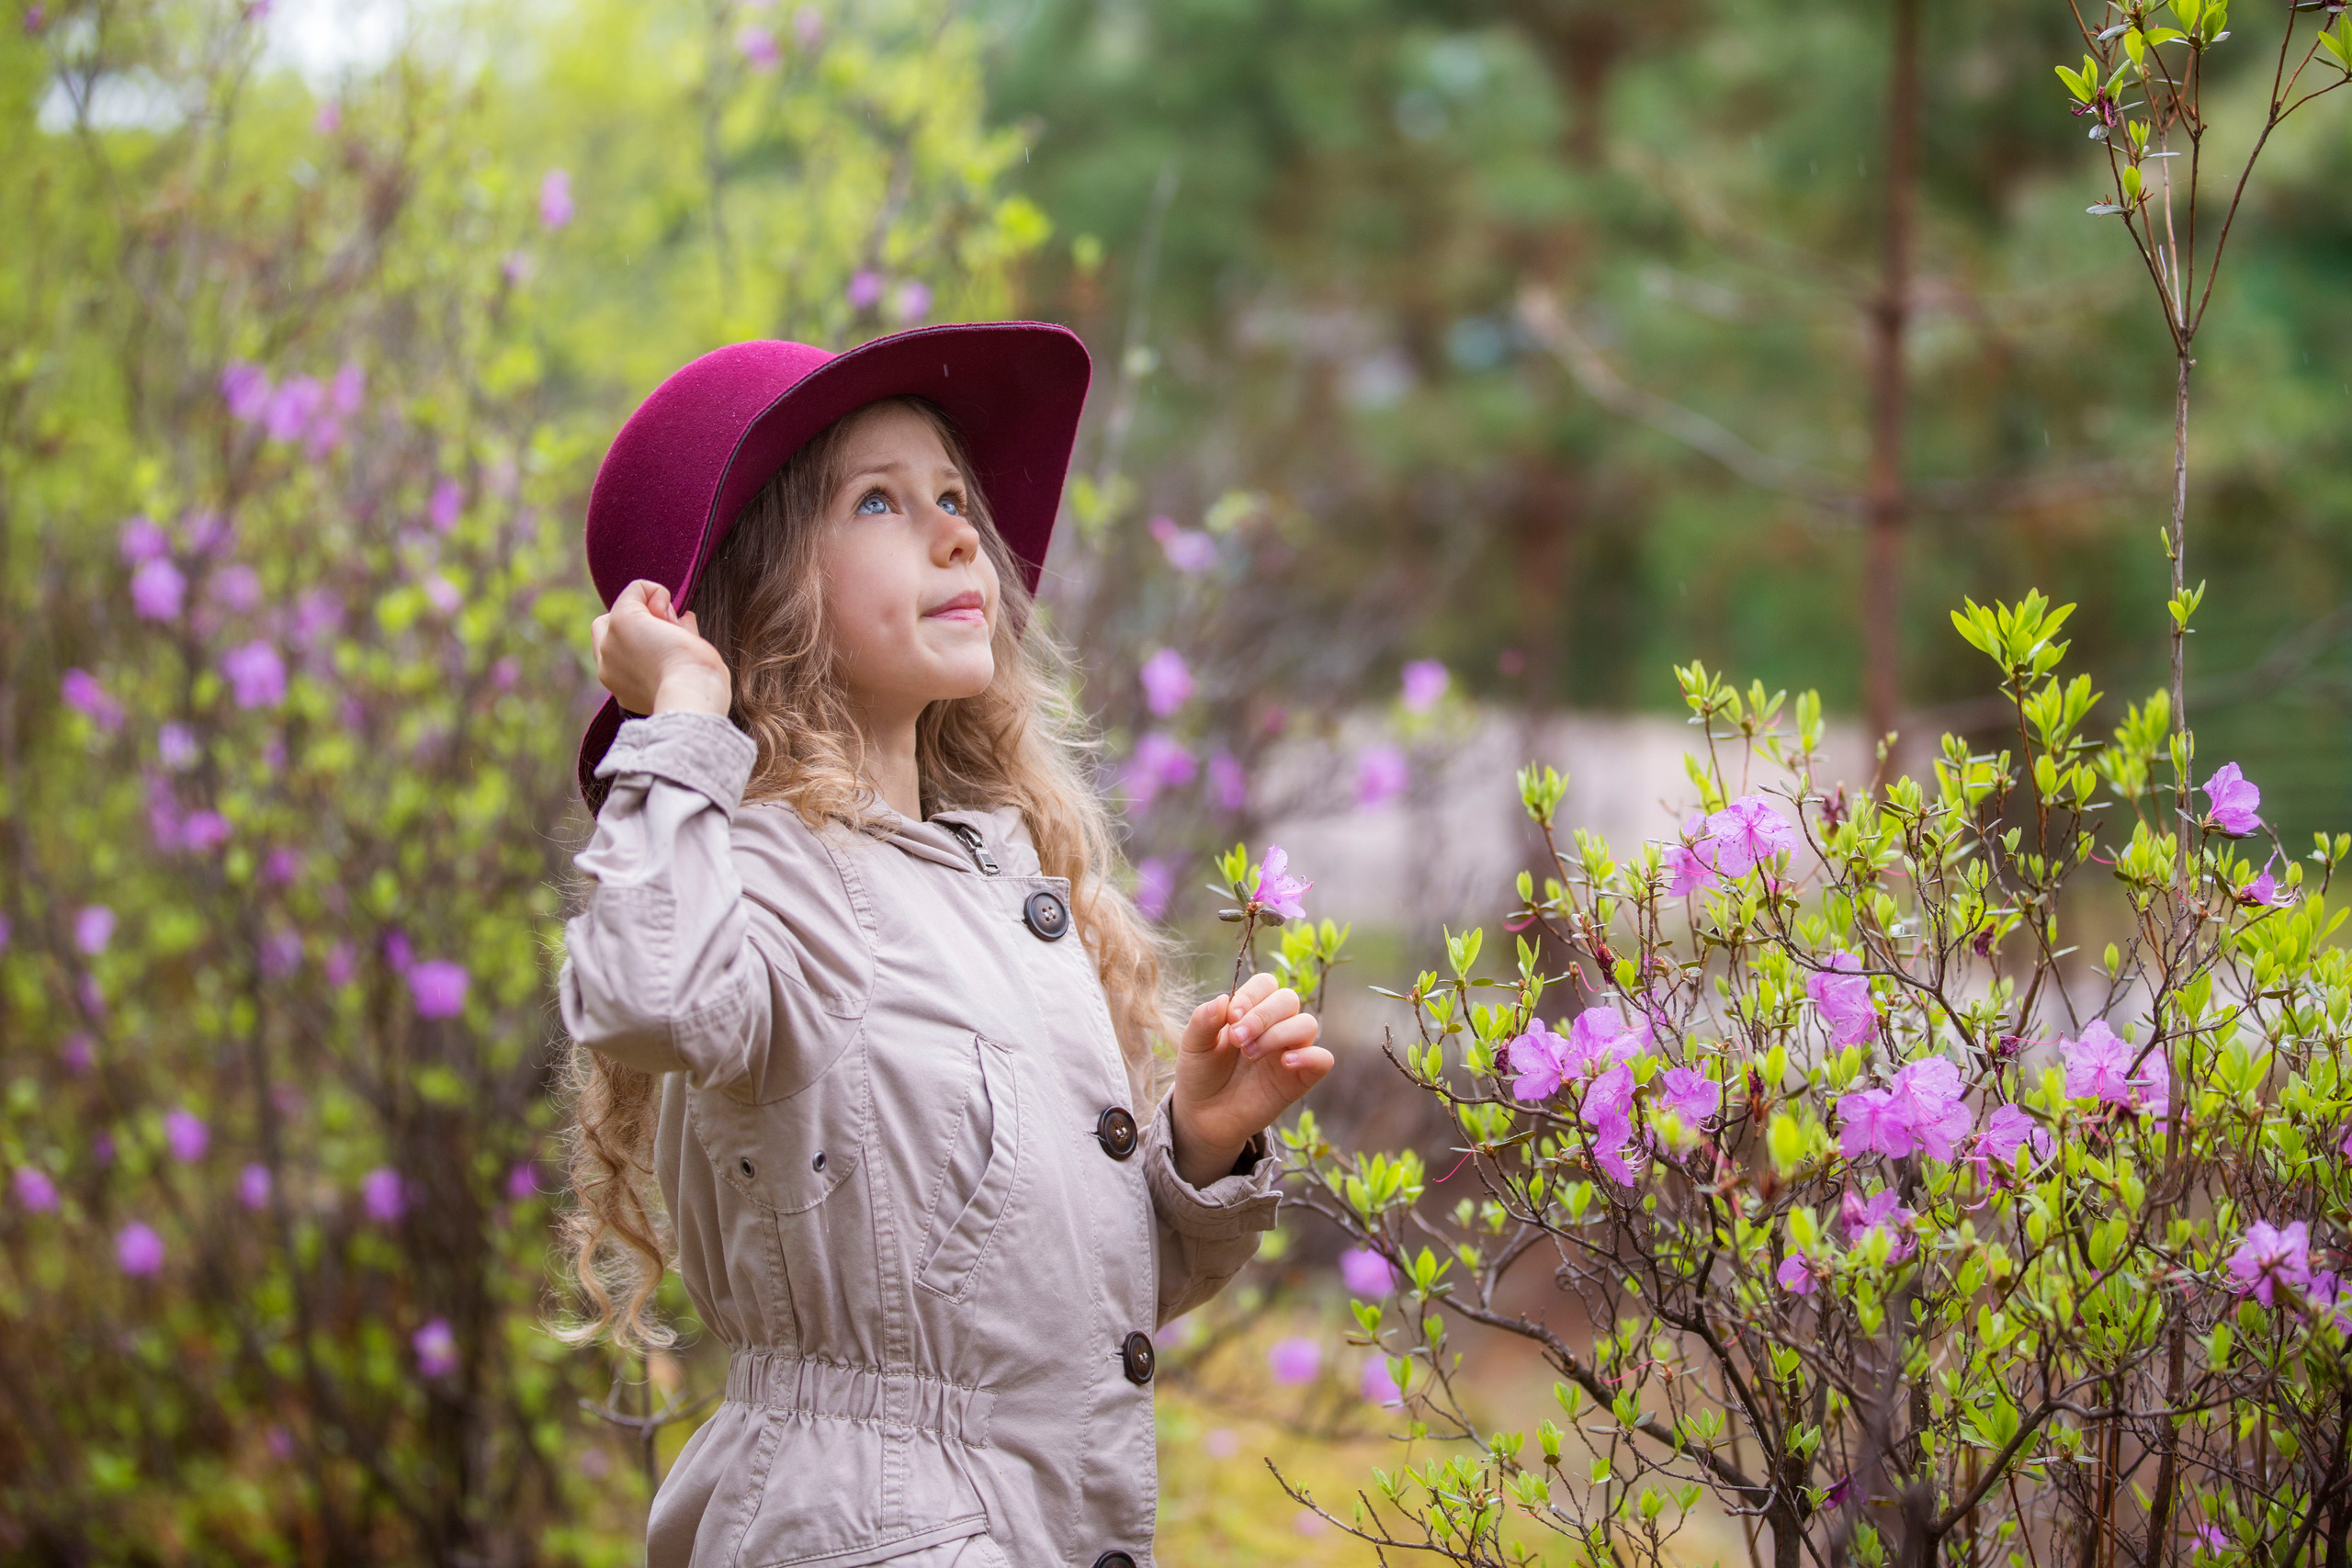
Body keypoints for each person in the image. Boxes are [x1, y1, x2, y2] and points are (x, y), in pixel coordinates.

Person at [555, 322, 1333, 1568]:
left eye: (953, 497)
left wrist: (1197, 1143)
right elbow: (649, 998)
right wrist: (688, 711)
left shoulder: (999, 882)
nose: (959, 533)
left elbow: (1036, 1318)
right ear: (758, 588)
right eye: (879, 500)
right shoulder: (759, 863)